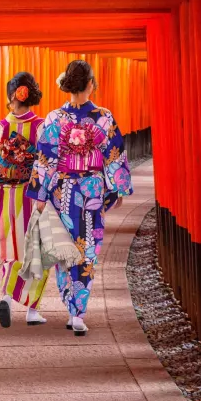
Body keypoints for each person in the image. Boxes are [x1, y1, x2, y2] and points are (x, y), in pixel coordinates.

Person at [26, 60, 134, 336]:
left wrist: (41, 193)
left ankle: (70, 305)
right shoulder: (104, 117)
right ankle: (78, 312)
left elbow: (45, 159)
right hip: (91, 191)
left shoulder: (53, 119)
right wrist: (118, 187)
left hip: (62, 191)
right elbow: (114, 155)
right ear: (90, 85)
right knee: (87, 250)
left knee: (66, 249)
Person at [0, 72, 50, 328]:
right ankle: (32, 310)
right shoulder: (42, 126)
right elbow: (48, 162)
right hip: (35, 195)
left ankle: (7, 296)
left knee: (12, 246)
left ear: (12, 96)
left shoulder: (2, 127)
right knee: (39, 249)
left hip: (9, 194)